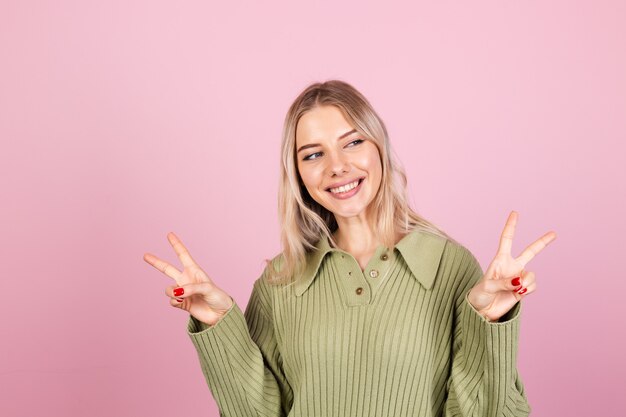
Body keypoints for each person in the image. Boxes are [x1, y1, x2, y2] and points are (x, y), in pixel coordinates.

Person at [144, 80, 556, 417]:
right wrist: (219, 324)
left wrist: (489, 319)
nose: (337, 165)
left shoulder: (448, 266)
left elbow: (485, 410)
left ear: (379, 147)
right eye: (313, 154)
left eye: (353, 142)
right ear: (299, 174)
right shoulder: (281, 280)